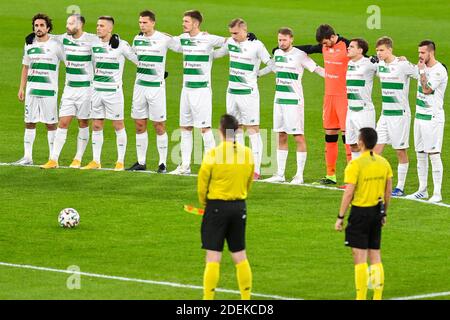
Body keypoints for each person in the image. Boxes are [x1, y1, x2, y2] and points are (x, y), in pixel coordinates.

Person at [197, 114, 254, 300]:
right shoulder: (247, 153)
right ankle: (246, 300)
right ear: (237, 131)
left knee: (213, 257)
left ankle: (208, 300)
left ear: (221, 131)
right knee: (240, 255)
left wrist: (205, 203)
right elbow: (249, 181)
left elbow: (202, 184)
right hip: (239, 207)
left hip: (216, 207)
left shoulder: (213, 154)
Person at [259, 27, 324, 184]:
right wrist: (257, 74)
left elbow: (316, 69)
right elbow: (272, 67)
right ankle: (279, 174)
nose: (281, 43)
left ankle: (299, 176)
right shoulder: (278, 53)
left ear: (291, 39)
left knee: (298, 136)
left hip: (294, 102)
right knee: (280, 135)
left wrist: (335, 77)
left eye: (284, 40)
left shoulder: (300, 55)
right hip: (279, 101)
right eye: (279, 40)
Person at [335, 127, 392, 300]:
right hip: (377, 212)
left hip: (360, 213)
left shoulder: (355, 164)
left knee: (359, 258)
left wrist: (340, 217)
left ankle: (360, 297)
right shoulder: (384, 163)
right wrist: (384, 213)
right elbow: (388, 191)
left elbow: (348, 192)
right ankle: (377, 297)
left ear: (361, 142)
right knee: (375, 255)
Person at [213, 18, 272, 180]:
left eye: (236, 33)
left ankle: (256, 170)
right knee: (233, 129)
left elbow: (271, 63)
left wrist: (259, 73)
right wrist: (201, 45)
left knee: (252, 129)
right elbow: (217, 54)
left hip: (248, 93)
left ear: (245, 30)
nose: (233, 36)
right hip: (231, 92)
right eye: (231, 33)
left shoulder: (257, 45)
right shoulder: (231, 42)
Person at [169, 10, 226, 175]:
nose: (183, 24)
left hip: (202, 90)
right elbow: (167, 40)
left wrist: (214, 54)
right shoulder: (183, 39)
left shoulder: (208, 38)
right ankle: (185, 166)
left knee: (204, 128)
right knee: (185, 127)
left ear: (196, 23)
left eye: (186, 21)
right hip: (186, 89)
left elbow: (229, 42)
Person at [40, 14, 98, 169]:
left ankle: (78, 158)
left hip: (86, 89)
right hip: (69, 89)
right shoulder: (63, 38)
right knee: (63, 122)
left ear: (80, 25)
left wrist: (116, 37)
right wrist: (32, 37)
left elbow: (108, 39)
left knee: (83, 122)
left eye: (71, 23)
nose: (67, 26)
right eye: (67, 23)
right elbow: (46, 36)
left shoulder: (92, 39)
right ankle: (53, 159)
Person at [81, 16, 138, 171]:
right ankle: (95, 161)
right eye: (97, 25)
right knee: (97, 125)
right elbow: (74, 36)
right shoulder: (93, 44)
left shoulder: (121, 45)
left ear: (110, 28)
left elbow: (137, 60)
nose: (98, 28)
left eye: (102, 26)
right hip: (97, 91)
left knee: (118, 125)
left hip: (113, 92)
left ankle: (120, 161)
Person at [126, 10, 179, 173]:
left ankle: (162, 163)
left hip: (156, 88)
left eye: (145, 22)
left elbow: (180, 47)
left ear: (153, 23)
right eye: (140, 22)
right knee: (139, 123)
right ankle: (141, 162)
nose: (142, 25)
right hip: (140, 86)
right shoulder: (137, 39)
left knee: (158, 125)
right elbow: (137, 59)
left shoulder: (163, 39)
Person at [15, 13, 64, 165]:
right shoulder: (29, 44)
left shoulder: (56, 44)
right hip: (31, 90)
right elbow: (25, 66)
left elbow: (68, 62)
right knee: (29, 122)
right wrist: (21, 88)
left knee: (50, 124)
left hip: (49, 91)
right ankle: (27, 157)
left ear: (48, 28)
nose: (39, 28)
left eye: (42, 25)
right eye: (36, 25)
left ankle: (52, 158)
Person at [373, 36, 417, 196]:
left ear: (390, 49)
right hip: (385, 115)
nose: (379, 53)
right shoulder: (380, 66)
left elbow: (420, 74)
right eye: (377, 50)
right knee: (375, 151)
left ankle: (400, 187)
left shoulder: (403, 65)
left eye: (382, 50)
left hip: (400, 115)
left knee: (400, 151)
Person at [406, 40, 448, 203]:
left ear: (431, 52)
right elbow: (411, 71)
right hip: (420, 117)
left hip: (433, 118)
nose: (420, 56)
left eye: (423, 53)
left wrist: (422, 72)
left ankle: (437, 193)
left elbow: (426, 89)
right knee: (420, 153)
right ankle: (422, 190)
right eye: (419, 53)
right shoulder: (422, 68)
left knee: (433, 153)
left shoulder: (439, 71)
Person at [345, 38, 377, 160]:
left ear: (360, 50)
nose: (348, 48)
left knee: (367, 146)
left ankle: (369, 175)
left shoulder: (369, 63)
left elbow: (385, 71)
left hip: (364, 111)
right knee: (352, 144)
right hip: (351, 110)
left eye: (352, 47)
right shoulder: (350, 63)